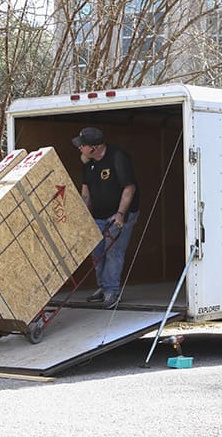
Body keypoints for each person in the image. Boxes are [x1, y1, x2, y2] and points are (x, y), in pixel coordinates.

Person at [72, 127, 139, 309]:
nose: (79, 148)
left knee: (114, 252)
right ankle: (102, 287)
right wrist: (84, 215)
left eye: (82, 145)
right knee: (97, 252)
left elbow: (129, 188)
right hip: (98, 215)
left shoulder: (118, 158)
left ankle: (112, 291)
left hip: (119, 214)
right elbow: (85, 189)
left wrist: (120, 214)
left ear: (93, 147)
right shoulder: (88, 161)